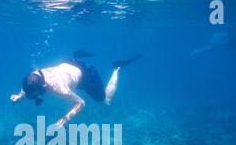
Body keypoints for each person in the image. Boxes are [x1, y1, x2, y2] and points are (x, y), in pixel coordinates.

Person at [10, 52, 140, 127]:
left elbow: (81, 103)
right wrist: (20, 95)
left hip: (86, 74)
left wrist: (66, 119)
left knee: (105, 100)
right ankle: (77, 55)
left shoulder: (58, 89)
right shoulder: (34, 75)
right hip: (68, 62)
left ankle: (117, 68)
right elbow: (27, 86)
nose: (31, 98)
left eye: (32, 96)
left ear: (42, 88)